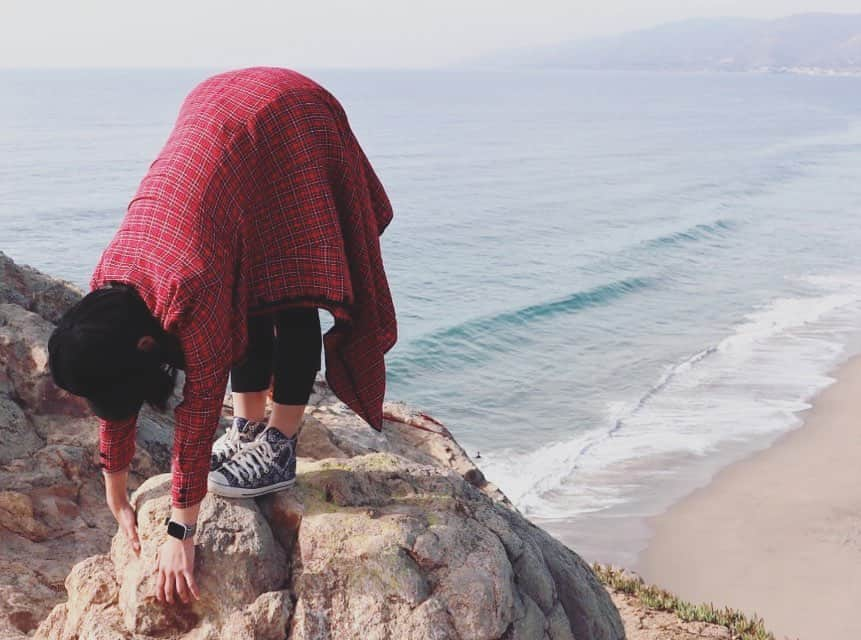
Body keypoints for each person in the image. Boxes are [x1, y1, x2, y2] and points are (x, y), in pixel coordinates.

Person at [46, 66, 397, 606]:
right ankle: (248, 426)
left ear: (145, 347)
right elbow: (110, 387)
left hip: (284, 118)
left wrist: (181, 531)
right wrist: (114, 494)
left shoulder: (188, 285)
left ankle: (278, 442)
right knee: (246, 289)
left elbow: (197, 405)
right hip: (221, 124)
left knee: (289, 287)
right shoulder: (109, 293)